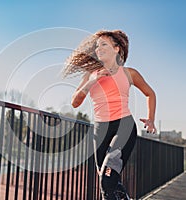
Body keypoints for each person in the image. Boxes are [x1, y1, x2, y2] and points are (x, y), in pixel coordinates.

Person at [62, 29, 156, 199]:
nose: (99, 49)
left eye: (104, 44)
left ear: (117, 49)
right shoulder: (90, 75)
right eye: (97, 46)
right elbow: (75, 102)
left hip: (124, 127)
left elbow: (150, 93)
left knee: (107, 179)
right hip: (100, 130)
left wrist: (151, 119)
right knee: (109, 180)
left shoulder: (129, 73)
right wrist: (93, 80)